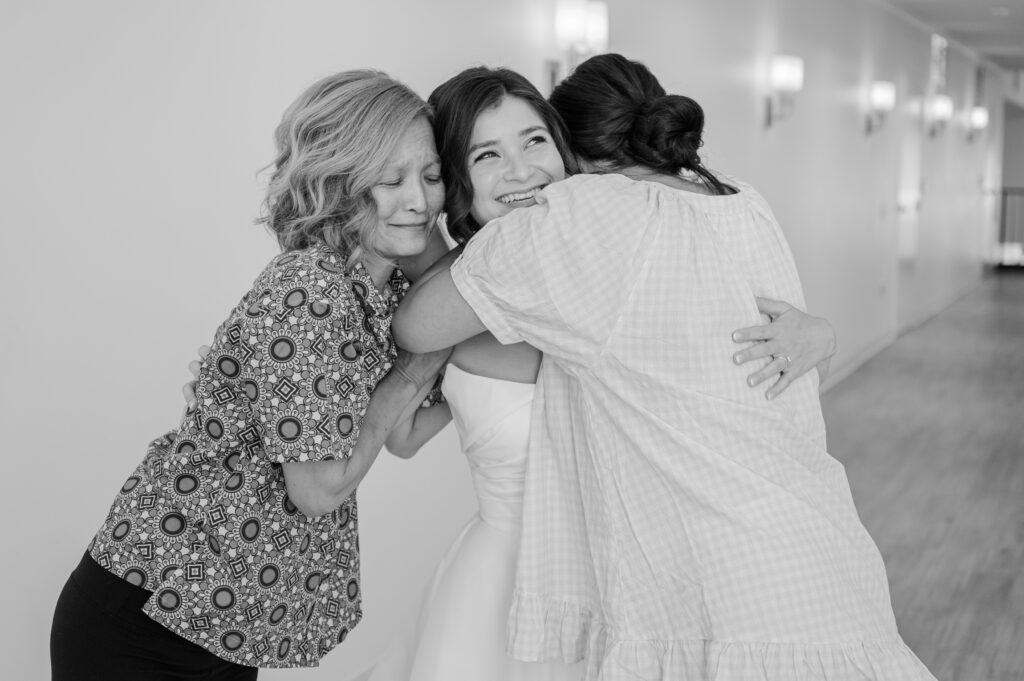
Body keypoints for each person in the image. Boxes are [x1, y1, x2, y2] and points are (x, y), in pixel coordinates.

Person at [392, 54, 937, 680]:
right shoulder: (738, 198)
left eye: (537, 140)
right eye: (485, 154)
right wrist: (824, 333)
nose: (524, 172)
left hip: (711, 577)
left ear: (577, 153)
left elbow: (416, 324)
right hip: (817, 548)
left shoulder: (573, 224)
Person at [50, 69, 451, 680]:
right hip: (151, 616)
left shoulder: (384, 288)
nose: (420, 200)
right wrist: (423, 359)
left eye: (431, 176)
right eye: (390, 180)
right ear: (338, 183)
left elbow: (403, 436)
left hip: (226, 624)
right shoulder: (309, 289)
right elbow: (317, 489)